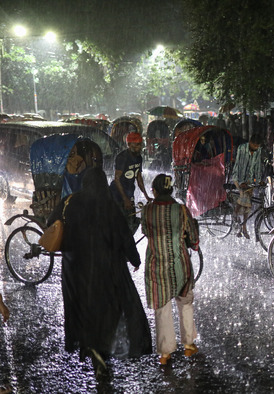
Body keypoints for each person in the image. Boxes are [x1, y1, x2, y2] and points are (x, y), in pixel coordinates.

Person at [47, 168, 152, 378]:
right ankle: (100, 347)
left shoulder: (70, 202)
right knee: (106, 309)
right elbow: (124, 235)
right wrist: (135, 259)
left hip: (76, 268)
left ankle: (88, 343)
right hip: (107, 267)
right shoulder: (109, 206)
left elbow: (51, 225)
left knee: (82, 306)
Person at [141, 174, 200, 365]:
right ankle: (189, 345)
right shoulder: (181, 210)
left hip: (156, 266)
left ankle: (165, 353)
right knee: (185, 302)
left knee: (162, 308)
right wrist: (194, 243)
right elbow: (193, 237)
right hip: (180, 265)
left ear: (155, 191)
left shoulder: (147, 211)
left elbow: (145, 231)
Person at [109, 132, 152, 232]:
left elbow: (139, 177)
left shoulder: (138, 158)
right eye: (136, 145)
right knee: (120, 224)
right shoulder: (122, 158)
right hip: (117, 195)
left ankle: (124, 244)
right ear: (129, 145)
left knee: (131, 223)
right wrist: (124, 199)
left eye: (140, 144)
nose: (139, 147)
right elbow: (117, 179)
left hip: (129, 193)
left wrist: (146, 195)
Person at [231, 133, 265, 238]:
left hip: (249, 180)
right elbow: (239, 165)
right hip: (238, 178)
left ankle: (243, 226)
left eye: (257, 146)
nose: (256, 148)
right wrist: (241, 182)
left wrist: (259, 180)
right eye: (254, 145)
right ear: (250, 143)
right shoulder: (242, 148)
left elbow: (258, 165)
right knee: (243, 199)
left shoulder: (258, 150)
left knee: (247, 206)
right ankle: (236, 222)